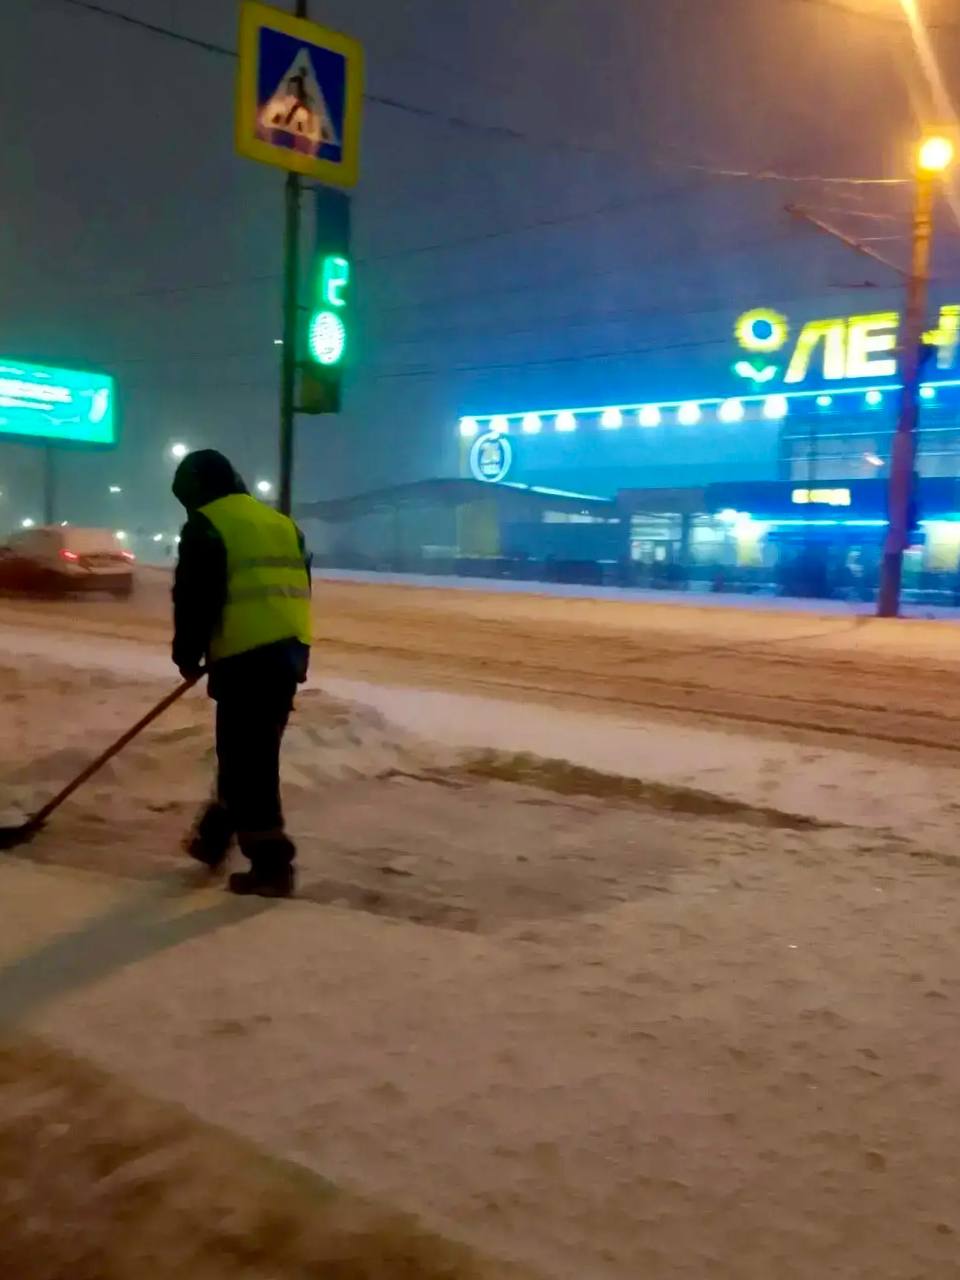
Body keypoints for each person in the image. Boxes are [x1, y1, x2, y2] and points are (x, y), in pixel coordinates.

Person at [171, 450, 311, 898]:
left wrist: (187, 654)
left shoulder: (208, 525)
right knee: (247, 753)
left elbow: (196, 596)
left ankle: (272, 864)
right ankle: (214, 839)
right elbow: (299, 587)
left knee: (250, 762)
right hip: (286, 654)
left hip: (245, 656)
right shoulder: (281, 523)